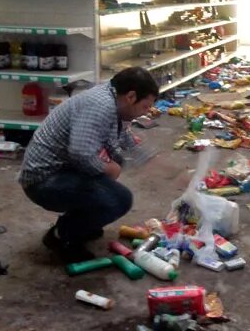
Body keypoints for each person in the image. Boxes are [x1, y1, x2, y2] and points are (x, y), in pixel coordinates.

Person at [20, 66, 158, 262]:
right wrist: (107, 168)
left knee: (109, 187)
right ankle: (61, 237)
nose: (144, 112)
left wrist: (152, 160)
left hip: (61, 170)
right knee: (119, 199)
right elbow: (80, 153)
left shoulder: (114, 101)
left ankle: (77, 224)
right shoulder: (100, 105)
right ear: (131, 96)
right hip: (43, 180)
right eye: (144, 106)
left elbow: (124, 137)